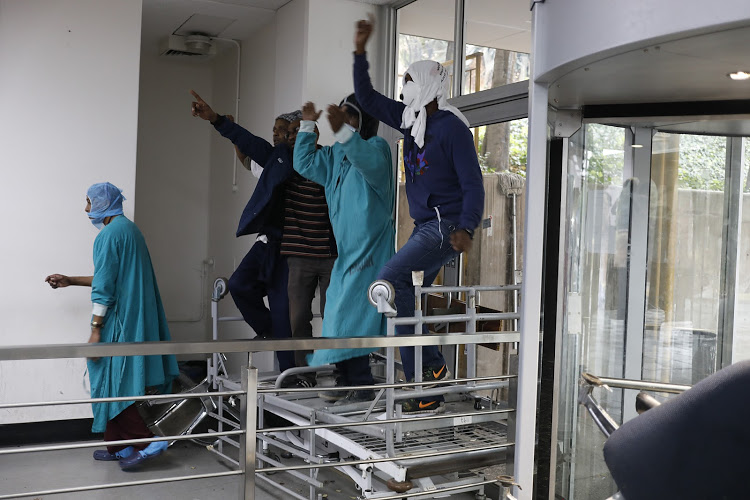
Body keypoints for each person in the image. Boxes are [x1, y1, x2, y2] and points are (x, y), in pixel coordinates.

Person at [352, 17, 485, 413]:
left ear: (427, 84)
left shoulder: (451, 129)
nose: (403, 87)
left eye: (409, 79)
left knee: (389, 283)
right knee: (403, 296)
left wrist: (467, 227)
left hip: (445, 226)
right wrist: (359, 51)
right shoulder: (412, 121)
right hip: (425, 226)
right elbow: (367, 98)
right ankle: (430, 379)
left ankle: (426, 378)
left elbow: (473, 183)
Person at [45, 182, 179, 470]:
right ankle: (119, 445)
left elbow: (105, 288)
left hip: (120, 322)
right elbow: (113, 277)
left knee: (115, 383)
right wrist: (70, 279)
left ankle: (146, 442)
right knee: (110, 379)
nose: (86, 209)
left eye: (89, 202)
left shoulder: (108, 236)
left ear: (103, 204)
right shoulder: (129, 230)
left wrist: (96, 329)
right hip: (133, 317)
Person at [293, 94, 394, 405]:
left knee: (354, 317)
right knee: (336, 316)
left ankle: (360, 384)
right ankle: (347, 379)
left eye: (350, 116)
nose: (343, 121)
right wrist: (309, 125)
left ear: (364, 121)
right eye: (341, 116)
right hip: (346, 253)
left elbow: (366, 159)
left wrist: (343, 132)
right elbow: (304, 163)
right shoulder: (336, 155)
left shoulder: (377, 149)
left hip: (371, 251)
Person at [191, 90, 296, 373]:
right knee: (239, 285)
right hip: (267, 243)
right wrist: (218, 121)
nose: (276, 134)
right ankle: (270, 332)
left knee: (283, 310)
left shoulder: (304, 161)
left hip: (292, 248)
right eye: (274, 130)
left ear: (297, 133)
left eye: (282, 130)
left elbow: (252, 146)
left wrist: (219, 121)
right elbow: (248, 155)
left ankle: (291, 372)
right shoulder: (274, 161)